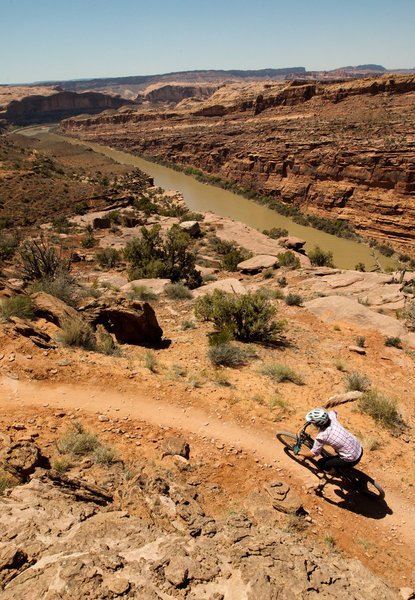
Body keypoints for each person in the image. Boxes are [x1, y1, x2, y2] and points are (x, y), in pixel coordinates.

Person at [298, 408, 363, 472]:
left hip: (351, 459)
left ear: (317, 424)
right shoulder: (331, 417)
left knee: (321, 463)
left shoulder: (322, 436)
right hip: (359, 448)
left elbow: (312, 454)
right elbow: (334, 412)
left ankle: (333, 472)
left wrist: (299, 452)